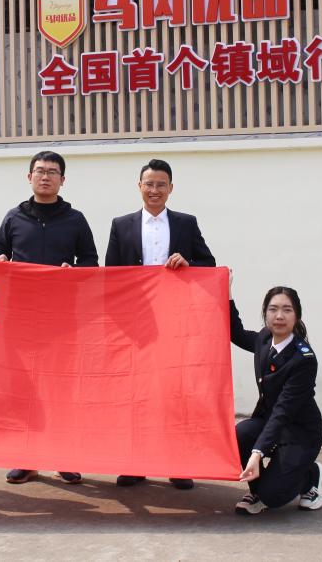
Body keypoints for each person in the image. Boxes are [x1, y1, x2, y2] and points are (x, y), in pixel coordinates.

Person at [105, 158, 216, 490]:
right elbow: (111, 276)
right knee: (136, 396)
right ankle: (135, 464)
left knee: (175, 393)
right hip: (136, 325)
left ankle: (178, 465)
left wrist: (188, 261)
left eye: (161, 185)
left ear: (171, 188)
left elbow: (208, 263)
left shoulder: (186, 223)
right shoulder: (121, 224)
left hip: (176, 324)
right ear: (139, 187)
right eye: (149, 184)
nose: (154, 190)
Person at [0, 150, 98, 484]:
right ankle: (26, 459)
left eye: (52, 172)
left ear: (62, 180)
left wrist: (73, 271)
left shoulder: (75, 219)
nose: (45, 176)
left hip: (61, 319)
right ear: (29, 177)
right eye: (39, 171)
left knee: (60, 388)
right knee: (23, 389)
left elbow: (91, 262)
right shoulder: (14, 217)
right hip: (20, 317)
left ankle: (63, 457)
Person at [230, 286, 322, 515]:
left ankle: (310, 476)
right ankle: (257, 491)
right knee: (240, 435)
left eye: (287, 310)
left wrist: (257, 453)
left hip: (299, 432)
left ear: (297, 316)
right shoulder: (264, 339)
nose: (279, 316)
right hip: (270, 421)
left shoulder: (303, 359)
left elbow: (283, 412)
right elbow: (236, 332)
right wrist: (227, 292)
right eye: (273, 309)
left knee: (273, 497)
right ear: (265, 313)